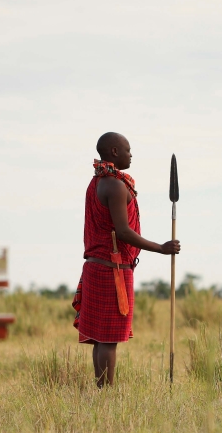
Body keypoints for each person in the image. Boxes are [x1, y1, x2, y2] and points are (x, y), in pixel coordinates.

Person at [73, 132, 181, 387]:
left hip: (98, 267)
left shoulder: (98, 181)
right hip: (112, 270)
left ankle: (102, 393)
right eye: (127, 150)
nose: (131, 155)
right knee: (108, 339)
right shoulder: (114, 185)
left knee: (101, 339)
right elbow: (123, 231)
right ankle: (107, 396)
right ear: (113, 152)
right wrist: (161, 248)